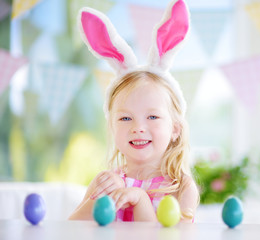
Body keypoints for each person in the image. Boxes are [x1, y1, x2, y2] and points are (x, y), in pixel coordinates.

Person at [69, 0, 199, 222]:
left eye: (153, 116)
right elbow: (72, 229)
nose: (138, 127)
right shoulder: (107, 181)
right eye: (125, 118)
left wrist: (139, 199)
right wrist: (100, 198)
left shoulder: (181, 187)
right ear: (112, 126)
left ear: (175, 128)